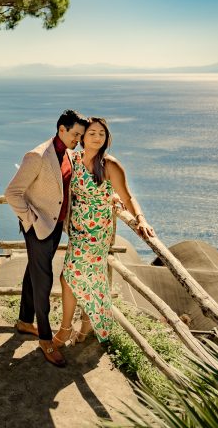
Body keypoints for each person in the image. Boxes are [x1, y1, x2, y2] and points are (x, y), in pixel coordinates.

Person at [53, 117, 155, 348]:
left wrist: (140, 219)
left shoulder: (110, 165)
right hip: (77, 230)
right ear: (82, 137)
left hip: (97, 232)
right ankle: (87, 324)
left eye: (102, 133)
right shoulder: (75, 159)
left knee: (68, 277)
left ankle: (65, 329)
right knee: (89, 279)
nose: (97, 137)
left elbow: (128, 197)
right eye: (92, 133)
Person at [5, 109, 87, 367]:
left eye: (80, 135)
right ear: (61, 129)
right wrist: (30, 221)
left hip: (55, 227)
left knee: (34, 273)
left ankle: (24, 321)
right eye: (75, 134)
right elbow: (12, 193)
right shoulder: (38, 156)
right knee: (44, 281)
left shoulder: (70, 154)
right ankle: (45, 338)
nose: (78, 139)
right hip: (38, 228)